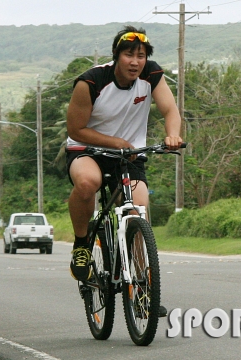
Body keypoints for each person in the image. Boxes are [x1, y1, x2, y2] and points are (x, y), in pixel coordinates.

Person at [65, 26, 183, 316]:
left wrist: (172, 135)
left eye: (141, 56)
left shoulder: (151, 75)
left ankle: (142, 290)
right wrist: (114, 141)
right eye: (129, 55)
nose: (135, 62)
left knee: (138, 209)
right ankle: (82, 243)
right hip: (87, 150)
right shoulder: (91, 81)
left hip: (128, 155)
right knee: (87, 183)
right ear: (116, 56)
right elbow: (75, 129)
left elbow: (170, 110)